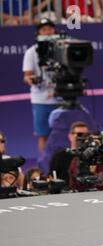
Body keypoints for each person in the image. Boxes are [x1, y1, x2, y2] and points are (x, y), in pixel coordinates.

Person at [22, 18, 58, 154]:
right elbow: (27, 75)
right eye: (44, 30)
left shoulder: (62, 49)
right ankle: (45, 166)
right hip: (41, 100)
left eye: (50, 29)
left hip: (61, 98)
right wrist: (31, 79)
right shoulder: (31, 52)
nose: (47, 32)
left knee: (64, 135)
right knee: (44, 135)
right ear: (38, 33)